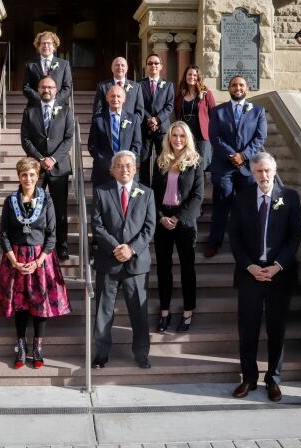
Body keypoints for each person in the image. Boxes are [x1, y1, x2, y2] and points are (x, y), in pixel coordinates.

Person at [228, 152, 301, 402]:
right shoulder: (242, 198)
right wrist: (249, 266)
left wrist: (278, 266)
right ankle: (248, 378)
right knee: (247, 329)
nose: (264, 175)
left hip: (278, 276)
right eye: (259, 171)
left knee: (276, 329)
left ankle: (274, 379)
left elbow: (294, 238)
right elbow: (235, 237)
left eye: (268, 170)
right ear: (252, 172)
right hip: (250, 274)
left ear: (275, 169)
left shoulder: (290, 198)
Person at [0, 157, 70, 369]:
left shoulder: (47, 200)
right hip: (15, 258)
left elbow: (52, 235)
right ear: (19, 177)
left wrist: (38, 261)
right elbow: (4, 234)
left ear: (38, 177)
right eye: (24, 175)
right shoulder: (10, 201)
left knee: (39, 305)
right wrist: (15, 262)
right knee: (20, 305)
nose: (28, 178)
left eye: (32, 175)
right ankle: (21, 346)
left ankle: (37, 348)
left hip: (40, 259)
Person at [91, 151, 156, 369]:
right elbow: (97, 226)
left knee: (139, 311)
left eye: (129, 165)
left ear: (136, 168)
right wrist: (116, 248)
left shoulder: (146, 193)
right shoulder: (102, 192)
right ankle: (100, 354)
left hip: (136, 264)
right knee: (103, 311)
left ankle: (141, 354)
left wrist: (132, 249)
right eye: (119, 165)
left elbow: (149, 227)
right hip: (108, 262)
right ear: (112, 170)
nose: (124, 169)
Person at [205, 75, 266, 258]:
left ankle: (248, 244)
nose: (237, 88)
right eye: (234, 85)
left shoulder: (258, 111)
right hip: (224, 166)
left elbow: (260, 137)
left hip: (248, 167)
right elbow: (215, 137)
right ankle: (214, 242)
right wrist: (233, 155)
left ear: (246, 88)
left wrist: (244, 156)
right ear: (229, 88)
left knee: (247, 207)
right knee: (221, 204)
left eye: (241, 85)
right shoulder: (218, 111)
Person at [151, 121, 204, 333]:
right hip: (163, 219)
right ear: (169, 138)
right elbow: (153, 192)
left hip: (185, 222)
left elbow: (198, 196)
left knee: (187, 269)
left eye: (182, 135)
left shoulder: (196, 162)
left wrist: (178, 218)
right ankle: (164, 311)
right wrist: (161, 216)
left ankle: (188, 311)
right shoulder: (161, 161)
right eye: (174, 135)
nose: (178, 139)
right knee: (163, 269)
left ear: (187, 138)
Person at [21, 76, 74, 260]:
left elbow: (68, 139)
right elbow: (25, 139)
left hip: (59, 167)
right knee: (32, 205)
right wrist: (40, 159)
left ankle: (62, 245)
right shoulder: (30, 111)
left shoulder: (66, 111)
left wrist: (52, 159)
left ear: (56, 90)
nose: (47, 90)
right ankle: (34, 242)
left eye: (50, 87)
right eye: (43, 87)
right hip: (35, 169)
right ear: (38, 89)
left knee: (60, 209)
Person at [88, 84, 142, 188]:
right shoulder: (98, 119)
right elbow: (92, 146)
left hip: (127, 172)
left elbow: (137, 145)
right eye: (112, 96)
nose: (115, 99)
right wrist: (110, 164)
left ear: (124, 99)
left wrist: (124, 163)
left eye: (118, 96)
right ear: (107, 98)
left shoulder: (133, 119)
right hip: (103, 172)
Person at [138, 54, 174, 187]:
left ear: (161, 66)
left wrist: (157, 120)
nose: (153, 65)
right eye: (150, 63)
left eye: (156, 63)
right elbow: (139, 105)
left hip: (162, 128)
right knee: (144, 160)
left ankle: (161, 189)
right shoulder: (139, 85)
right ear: (146, 66)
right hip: (144, 128)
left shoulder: (168, 85)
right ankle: (144, 189)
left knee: (163, 160)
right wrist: (149, 119)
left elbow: (169, 106)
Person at [174, 65, 216, 170]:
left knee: (201, 166)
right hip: (185, 134)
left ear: (198, 77)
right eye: (189, 74)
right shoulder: (180, 95)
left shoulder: (207, 94)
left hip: (201, 135)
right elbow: (176, 113)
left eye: (195, 75)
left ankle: (201, 186)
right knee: (185, 164)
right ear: (185, 76)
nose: (192, 77)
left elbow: (214, 114)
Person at [22, 31, 72, 107]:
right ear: (38, 46)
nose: (46, 46)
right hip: (36, 107)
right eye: (43, 43)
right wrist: (41, 100)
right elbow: (26, 87)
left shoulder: (64, 64)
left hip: (57, 107)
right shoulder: (30, 65)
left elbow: (67, 87)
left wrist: (53, 101)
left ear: (54, 46)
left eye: (49, 43)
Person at [92, 57, 144, 125]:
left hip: (129, 129)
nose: (120, 67)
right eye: (117, 65)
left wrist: (132, 126)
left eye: (123, 65)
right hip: (109, 128)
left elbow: (139, 112)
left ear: (127, 68)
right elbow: (98, 110)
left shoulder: (136, 87)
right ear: (112, 68)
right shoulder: (103, 87)